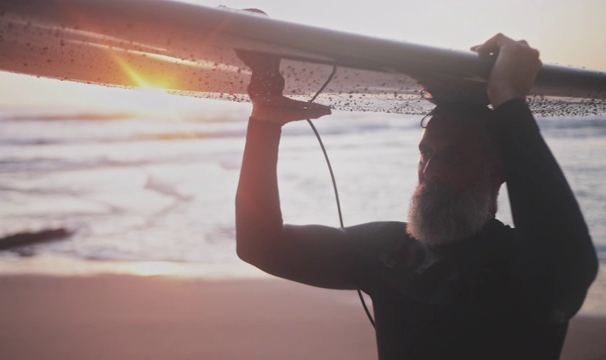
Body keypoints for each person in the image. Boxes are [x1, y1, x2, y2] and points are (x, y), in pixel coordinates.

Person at [235, 33, 598, 359]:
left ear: (499, 171)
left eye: (453, 156)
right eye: (426, 154)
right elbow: (260, 245)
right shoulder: (390, 251)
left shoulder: (524, 268)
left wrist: (509, 101)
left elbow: (568, 271)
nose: (431, 170)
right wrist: (264, 121)